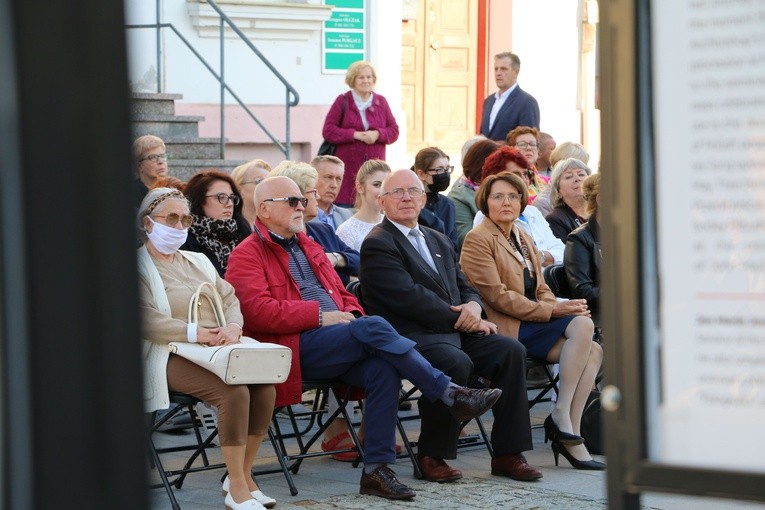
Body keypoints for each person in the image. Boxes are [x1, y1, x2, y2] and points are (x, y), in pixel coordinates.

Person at [225, 176, 502, 500]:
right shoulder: (247, 254)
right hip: (293, 347)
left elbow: (345, 295)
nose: (302, 206)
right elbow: (256, 311)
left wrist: (352, 315)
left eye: (302, 199)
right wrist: (319, 316)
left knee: (381, 368)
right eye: (292, 201)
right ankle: (449, 392)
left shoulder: (308, 245)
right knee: (372, 327)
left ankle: (376, 471)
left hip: (337, 339)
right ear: (264, 209)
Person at [360, 169, 543, 484]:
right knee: (455, 360)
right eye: (397, 192)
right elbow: (408, 298)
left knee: (510, 350)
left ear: (423, 198)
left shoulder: (438, 238)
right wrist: (461, 317)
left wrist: (473, 306)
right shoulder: (378, 242)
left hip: (453, 329)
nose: (406, 198)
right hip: (409, 336)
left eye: (413, 191)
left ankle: (508, 454)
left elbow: (464, 285)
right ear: (382, 201)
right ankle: (432, 455)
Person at [137, 188, 277, 510]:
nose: (178, 226)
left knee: (265, 389)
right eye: (170, 218)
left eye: (184, 219)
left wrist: (232, 327)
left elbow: (228, 297)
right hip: (166, 352)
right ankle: (238, 488)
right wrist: (194, 332)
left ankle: (239, 475)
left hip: (216, 348)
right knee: (233, 393)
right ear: (148, 223)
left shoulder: (198, 259)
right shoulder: (137, 264)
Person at [460, 173, 604, 471]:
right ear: (485, 202)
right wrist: (553, 312)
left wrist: (553, 306)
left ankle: (570, 429)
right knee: (582, 325)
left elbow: (542, 287)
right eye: (498, 196)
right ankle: (562, 418)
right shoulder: (478, 239)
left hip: (533, 322)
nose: (506, 202)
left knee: (594, 348)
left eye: (513, 197)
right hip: (505, 327)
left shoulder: (522, 236)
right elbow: (498, 297)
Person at [321, 60, 399, 207]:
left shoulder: (381, 101)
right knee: (347, 207)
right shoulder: (343, 100)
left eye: (369, 77)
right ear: (353, 80)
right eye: (361, 77)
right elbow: (328, 130)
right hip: (348, 167)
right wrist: (354, 135)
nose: (366, 81)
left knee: (373, 205)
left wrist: (378, 134)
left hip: (375, 167)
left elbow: (394, 130)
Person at [271, 160, 359, 286]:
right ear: (296, 196)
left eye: (339, 178)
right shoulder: (275, 240)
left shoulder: (324, 230)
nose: (318, 197)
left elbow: (359, 261)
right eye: (313, 192)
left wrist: (335, 258)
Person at [474, 145, 564, 266]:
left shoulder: (532, 212)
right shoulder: (488, 215)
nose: (524, 180)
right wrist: (543, 257)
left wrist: (538, 256)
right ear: (495, 178)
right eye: (515, 174)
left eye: (526, 174)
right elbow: (507, 261)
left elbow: (561, 251)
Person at [181, 170, 250, 277]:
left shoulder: (244, 233)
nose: (230, 204)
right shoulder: (183, 239)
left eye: (232, 198)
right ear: (199, 200)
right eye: (221, 197)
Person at [448, 139, 501, 248]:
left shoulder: (505, 190)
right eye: (497, 166)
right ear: (481, 166)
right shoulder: (459, 197)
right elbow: (467, 238)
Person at [565, 173, 601, 326]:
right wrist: (628, 289)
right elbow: (583, 292)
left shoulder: (630, 234)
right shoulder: (579, 239)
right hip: (599, 319)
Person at [479, 52, 540, 141]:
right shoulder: (488, 101)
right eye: (496, 69)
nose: (498, 73)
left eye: (503, 69)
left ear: (516, 72)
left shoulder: (527, 102)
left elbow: (528, 141)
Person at [336, 159, 392, 251]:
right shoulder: (346, 230)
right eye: (377, 185)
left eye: (386, 186)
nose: (382, 191)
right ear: (360, 187)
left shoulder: (393, 223)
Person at [412, 147, 460, 252]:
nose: (445, 174)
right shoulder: (410, 204)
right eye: (439, 170)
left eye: (447, 169)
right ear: (421, 174)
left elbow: (453, 245)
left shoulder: (447, 204)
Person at [533, 141, 590, 217]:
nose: (578, 178)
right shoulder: (543, 203)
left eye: (581, 173)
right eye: (569, 175)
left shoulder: (591, 196)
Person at [545, 159, 592, 241]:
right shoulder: (555, 219)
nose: (577, 179)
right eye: (569, 177)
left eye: (581, 174)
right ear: (558, 191)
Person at [309, 155, 353, 229]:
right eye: (328, 177)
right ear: (312, 179)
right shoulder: (302, 216)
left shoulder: (347, 216)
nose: (334, 185)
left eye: (338, 179)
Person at [506, 126, 546, 200]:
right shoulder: (507, 180)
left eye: (533, 144)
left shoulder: (548, 183)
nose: (529, 148)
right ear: (511, 149)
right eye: (522, 144)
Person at [231, 159, 272, 228]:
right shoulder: (230, 227)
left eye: (269, 182)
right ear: (239, 190)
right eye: (259, 181)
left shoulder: (274, 226)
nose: (267, 187)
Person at [133, 134, 169, 207]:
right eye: (152, 157)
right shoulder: (131, 194)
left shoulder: (174, 188)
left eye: (162, 156)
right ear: (139, 166)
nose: (160, 161)